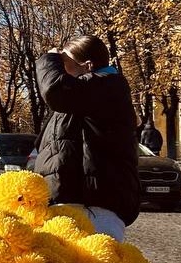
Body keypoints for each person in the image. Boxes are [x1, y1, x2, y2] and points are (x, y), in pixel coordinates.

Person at [34, 35, 140, 241]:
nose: (61, 69)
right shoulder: (82, 97)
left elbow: (54, 90)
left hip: (96, 208)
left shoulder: (108, 86)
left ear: (88, 66)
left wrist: (49, 59)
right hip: (72, 202)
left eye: (64, 63)